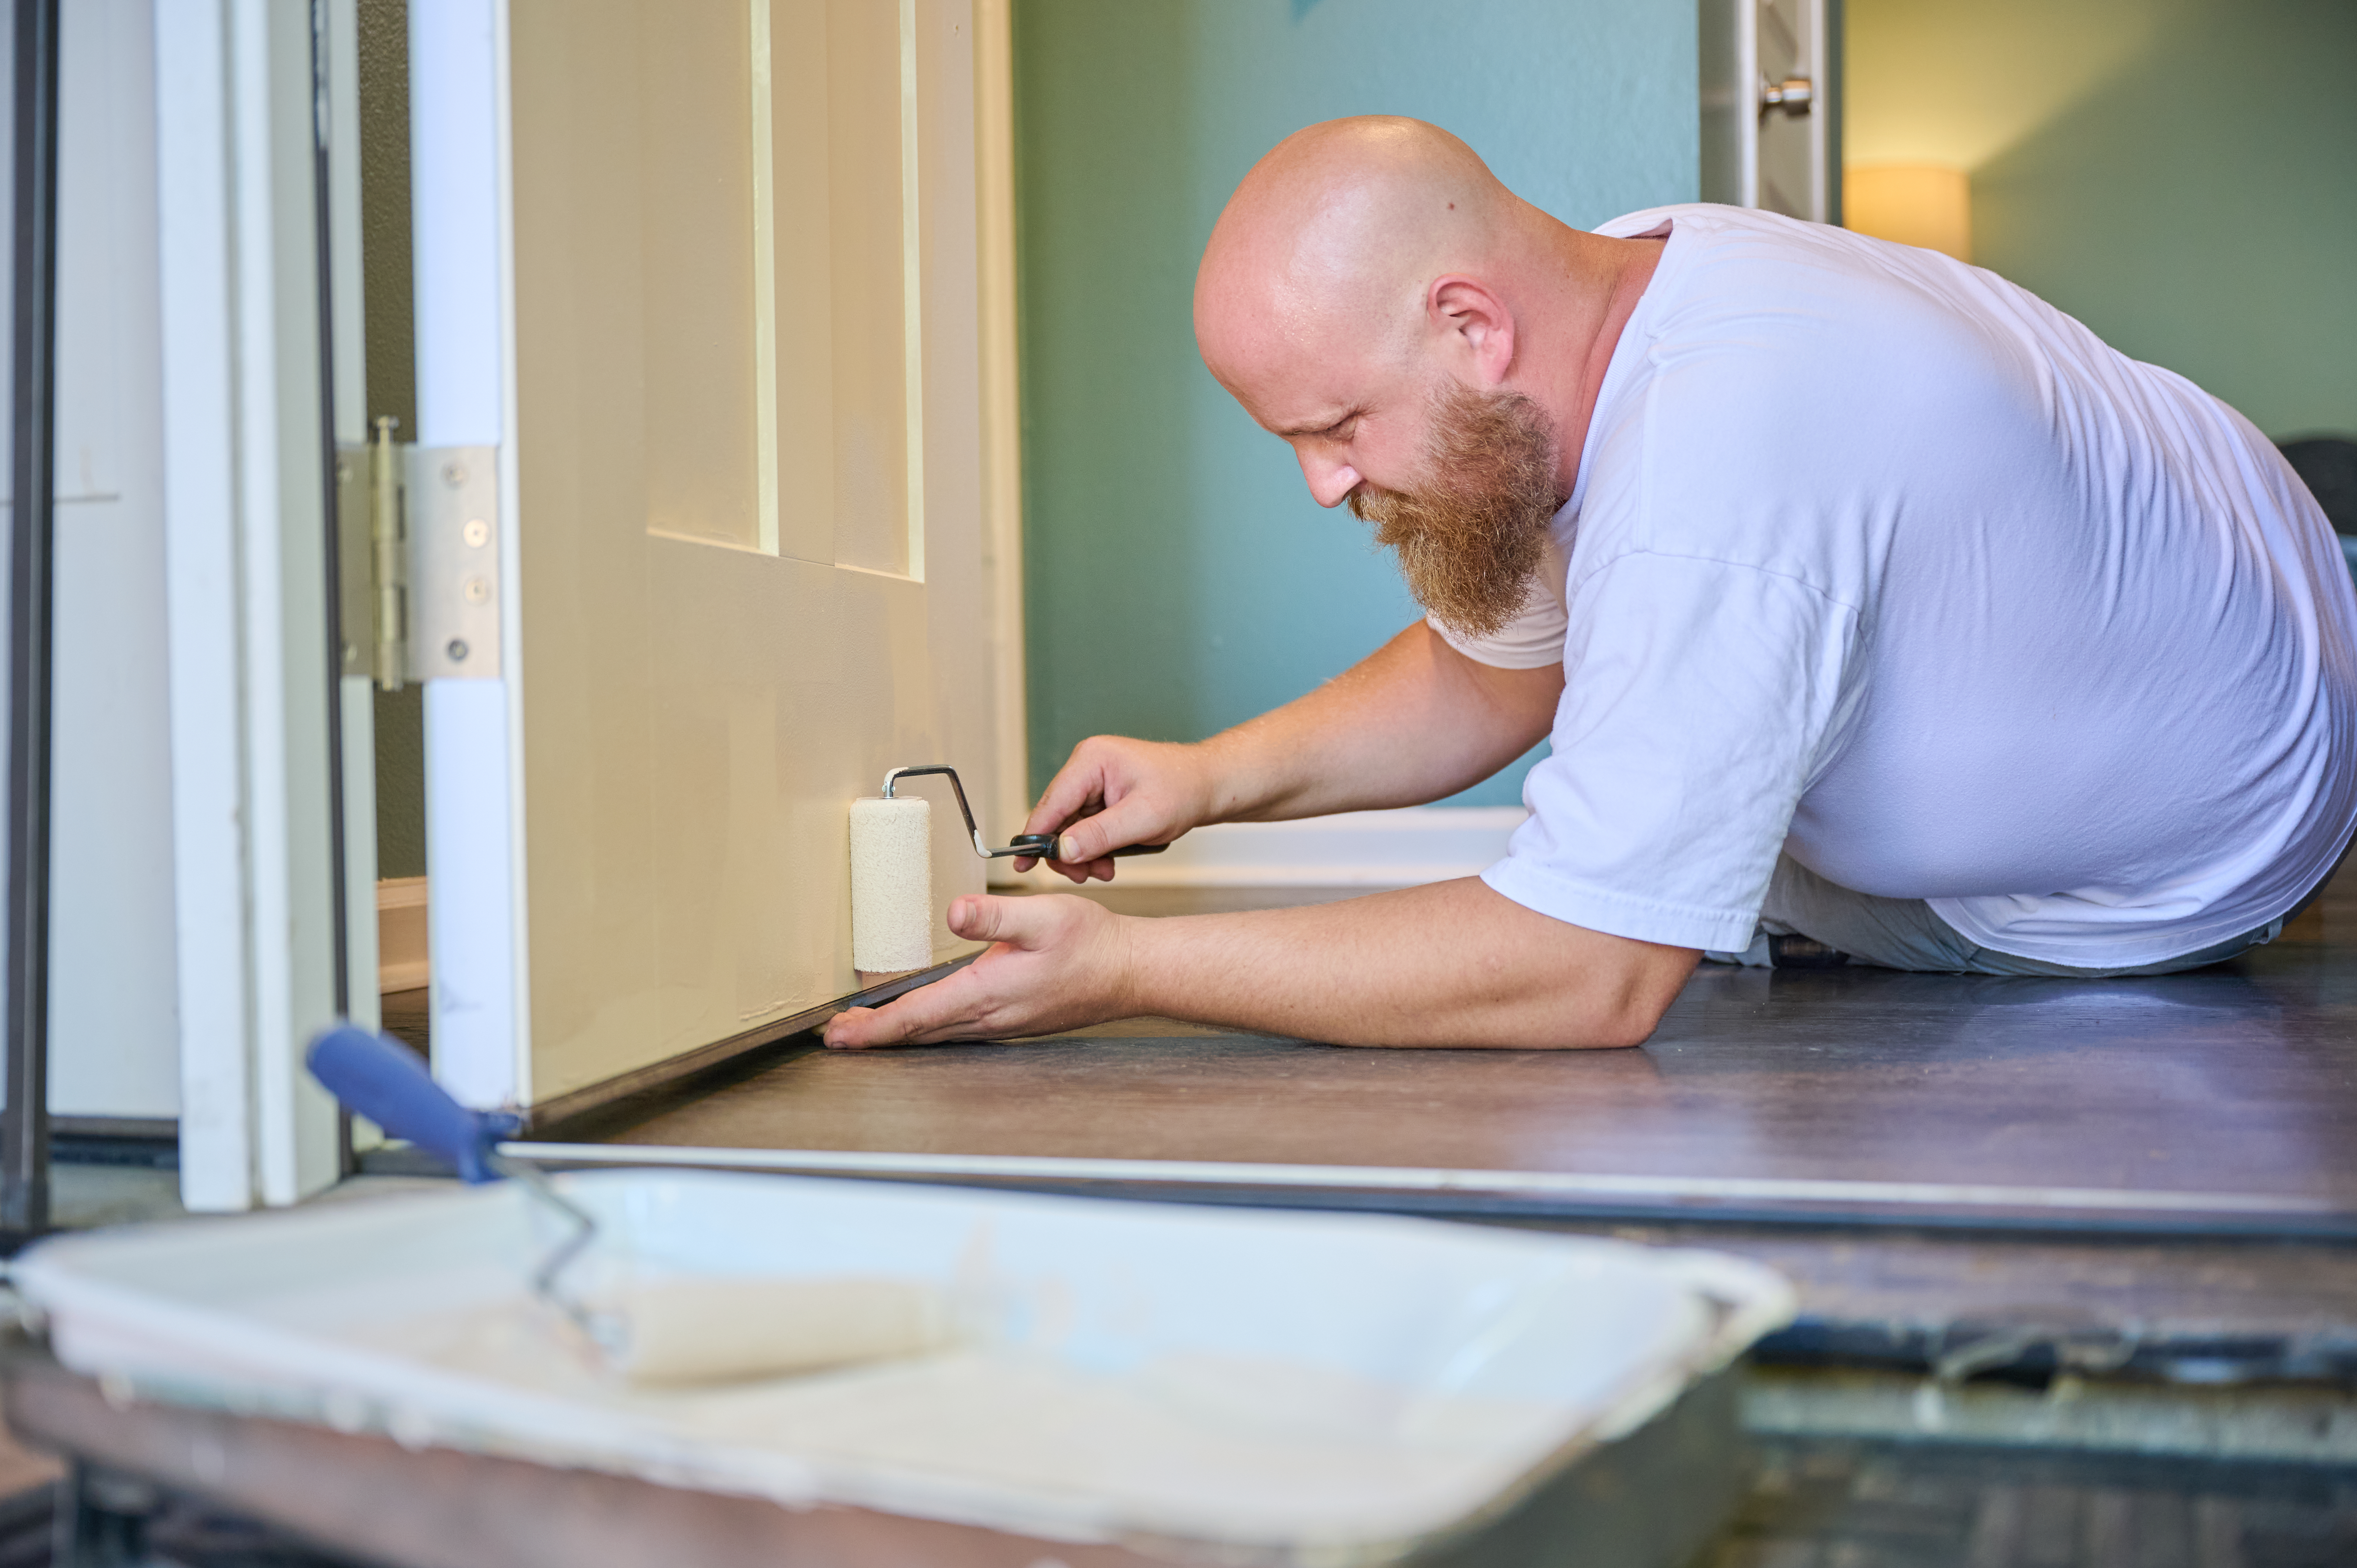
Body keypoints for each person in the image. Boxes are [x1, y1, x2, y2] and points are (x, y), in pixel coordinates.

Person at [822, 115, 2357, 1052]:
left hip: (2170, 877)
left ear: (1470, 325)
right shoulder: (1608, 282)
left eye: (1338, 425)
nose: (1325, 481)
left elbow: (1590, 972)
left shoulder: (1721, 460)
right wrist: (1204, 777)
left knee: (1677, 872)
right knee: (1665, 736)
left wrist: (1133, 972)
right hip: (2228, 615)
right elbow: (1507, 661)